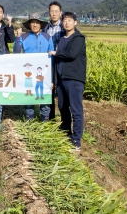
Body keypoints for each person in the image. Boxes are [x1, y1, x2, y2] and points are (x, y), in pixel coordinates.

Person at [49, 12, 86, 151]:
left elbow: (71, 54)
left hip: (74, 79)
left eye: (70, 20)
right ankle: (66, 131)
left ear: (75, 22)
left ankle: (76, 140)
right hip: (62, 78)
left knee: (76, 110)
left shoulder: (78, 38)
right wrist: (55, 79)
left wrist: (55, 52)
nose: (67, 23)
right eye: (64, 20)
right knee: (63, 107)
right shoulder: (62, 39)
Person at [13, 13, 54, 121]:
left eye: (37, 22)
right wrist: (17, 37)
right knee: (29, 98)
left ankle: (45, 122)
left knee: (44, 98)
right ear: (29, 24)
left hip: (44, 74)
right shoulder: (23, 37)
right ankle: (29, 122)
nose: (35, 25)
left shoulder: (47, 37)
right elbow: (16, 52)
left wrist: (52, 77)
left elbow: (52, 58)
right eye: (32, 22)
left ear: (41, 24)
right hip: (29, 73)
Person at [43, 1, 63, 120]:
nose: (54, 13)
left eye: (56, 11)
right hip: (48, 62)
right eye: (52, 11)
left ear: (60, 13)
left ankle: (64, 121)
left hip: (61, 62)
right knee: (48, 89)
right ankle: (50, 118)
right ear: (49, 13)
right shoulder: (46, 28)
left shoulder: (64, 27)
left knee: (60, 91)